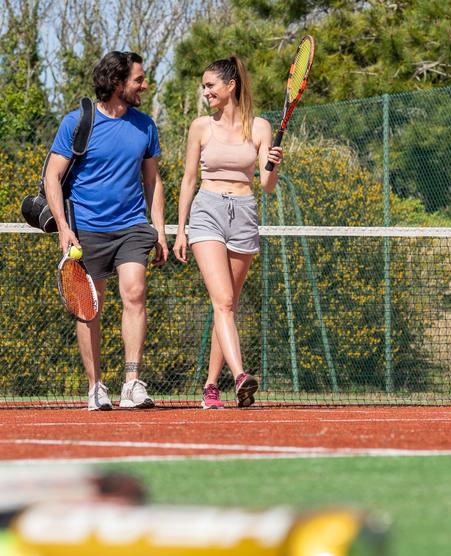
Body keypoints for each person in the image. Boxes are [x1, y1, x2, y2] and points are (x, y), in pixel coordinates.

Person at [44, 50, 168, 411]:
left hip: (131, 226)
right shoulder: (77, 122)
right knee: (89, 309)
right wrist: (64, 229)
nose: (144, 85)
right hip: (86, 230)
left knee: (135, 292)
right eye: (139, 80)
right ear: (117, 83)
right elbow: (52, 176)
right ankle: (96, 386)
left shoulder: (145, 125)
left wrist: (159, 229)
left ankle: (131, 383)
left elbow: (153, 180)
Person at [172, 55, 283, 409]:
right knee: (222, 302)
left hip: (245, 213)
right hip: (207, 213)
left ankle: (210, 387)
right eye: (204, 86)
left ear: (230, 86)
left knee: (228, 307)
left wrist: (273, 165)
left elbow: (266, 186)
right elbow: (189, 179)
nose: (205, 92)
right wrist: (180, 230)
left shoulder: (261, 127)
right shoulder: (200, 127)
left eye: (210, 86)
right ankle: (240, 376)